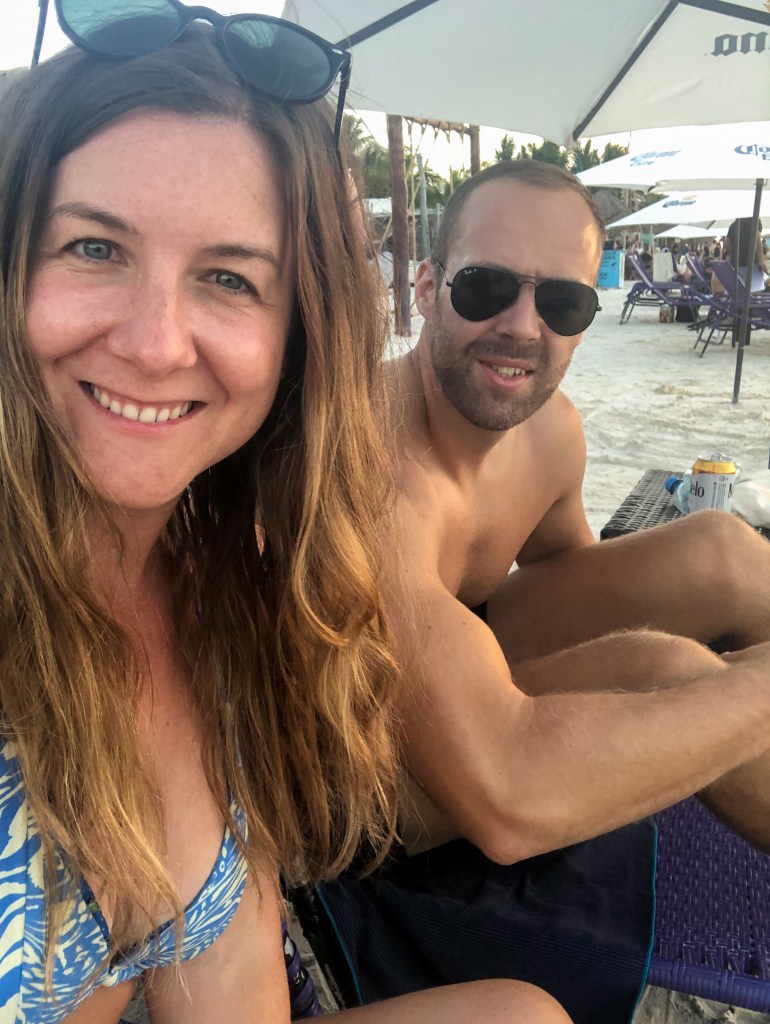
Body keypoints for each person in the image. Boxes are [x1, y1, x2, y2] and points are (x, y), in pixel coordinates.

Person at [0, 20, 570, 1024]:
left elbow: (231, 995)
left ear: (300, 334)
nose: (155, 343)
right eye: (94, 247)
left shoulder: (228, 585)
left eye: (228, 278)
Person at [319, 160, 770, 1024]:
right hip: (349, 774)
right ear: (426, 288)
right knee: (659, 673)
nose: (522, 328)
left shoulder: (549, 434)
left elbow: (569, 578)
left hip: (449, 658)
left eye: (562, 302)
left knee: (718, 549)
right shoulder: (367, 470)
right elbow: (508, 798)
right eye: (486, 287)